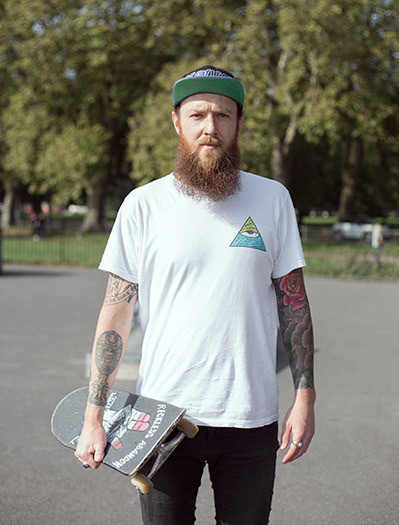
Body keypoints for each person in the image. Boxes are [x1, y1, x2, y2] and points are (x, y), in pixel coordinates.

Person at [76, 65, 315, 525]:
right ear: (176, 122)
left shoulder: (272, 199)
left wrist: (304, 397)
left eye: (223, 115)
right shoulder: (143, 205)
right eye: (198, 115)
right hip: (161, 417)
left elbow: (294, 305)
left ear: (239, 124)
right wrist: (94, 416)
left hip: (249, 416)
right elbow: (116, 315)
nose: (210, 128)